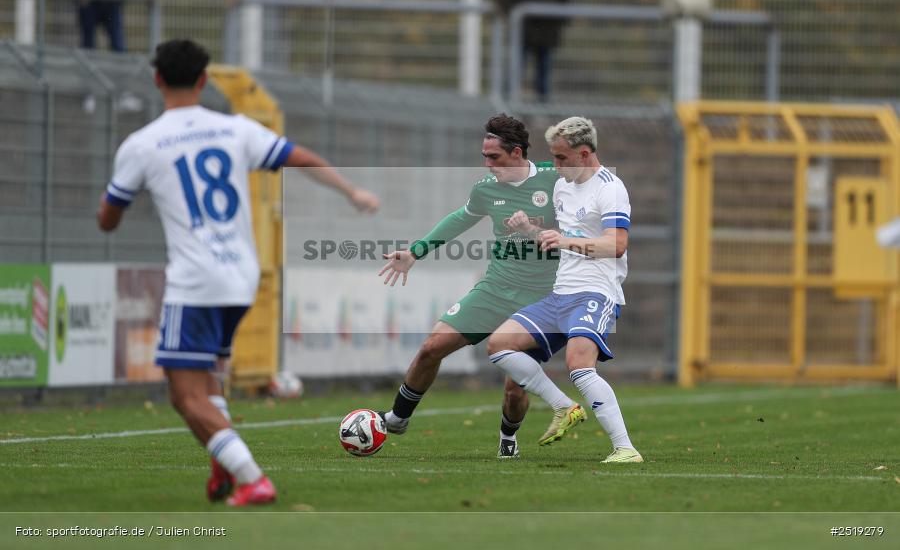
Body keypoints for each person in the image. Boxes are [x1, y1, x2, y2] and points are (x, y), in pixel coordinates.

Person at [96, 39, 379, 505]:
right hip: (241, 276)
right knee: (209, 378)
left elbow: (109, 217)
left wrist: (116, 206)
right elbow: (300, 157)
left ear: (157, 79)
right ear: (204, 80)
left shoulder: (142, 144)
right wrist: (352, 192)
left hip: (196, 280)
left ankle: (252, 478)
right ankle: (222, 468)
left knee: (185, 396)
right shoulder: (235, 129)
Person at [379, 113, 586, 459]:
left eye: (495, 158)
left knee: (514, 383)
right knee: (432, 346)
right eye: (484, 157)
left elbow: (581, 228)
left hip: (541, 298)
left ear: (517, 153)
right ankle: (398, 418)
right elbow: (459, 220)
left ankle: (508, 439)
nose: (488, 165)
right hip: (495, 289)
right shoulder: (486, 190)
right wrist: (415, 252)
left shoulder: (556, 184)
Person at [486, 116, 643, 463]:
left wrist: (566, 241)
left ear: (584, 154)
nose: (555, 166)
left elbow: (616, 245)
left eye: (561, 159)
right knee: (499, 344)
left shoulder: (610, 188)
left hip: (596, 293)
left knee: (579, 364)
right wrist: (529, 228)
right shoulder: (562, 187)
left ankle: (626, 449)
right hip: (561, 293)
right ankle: (562, 405)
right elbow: (561, 239)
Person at [495, 0, 569, 102]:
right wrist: (515, 16)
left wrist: (561, 18)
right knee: (516, 69)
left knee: (544, 73)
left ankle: (542, 108)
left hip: (548, 29)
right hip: (523, 30)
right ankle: (507, 107)